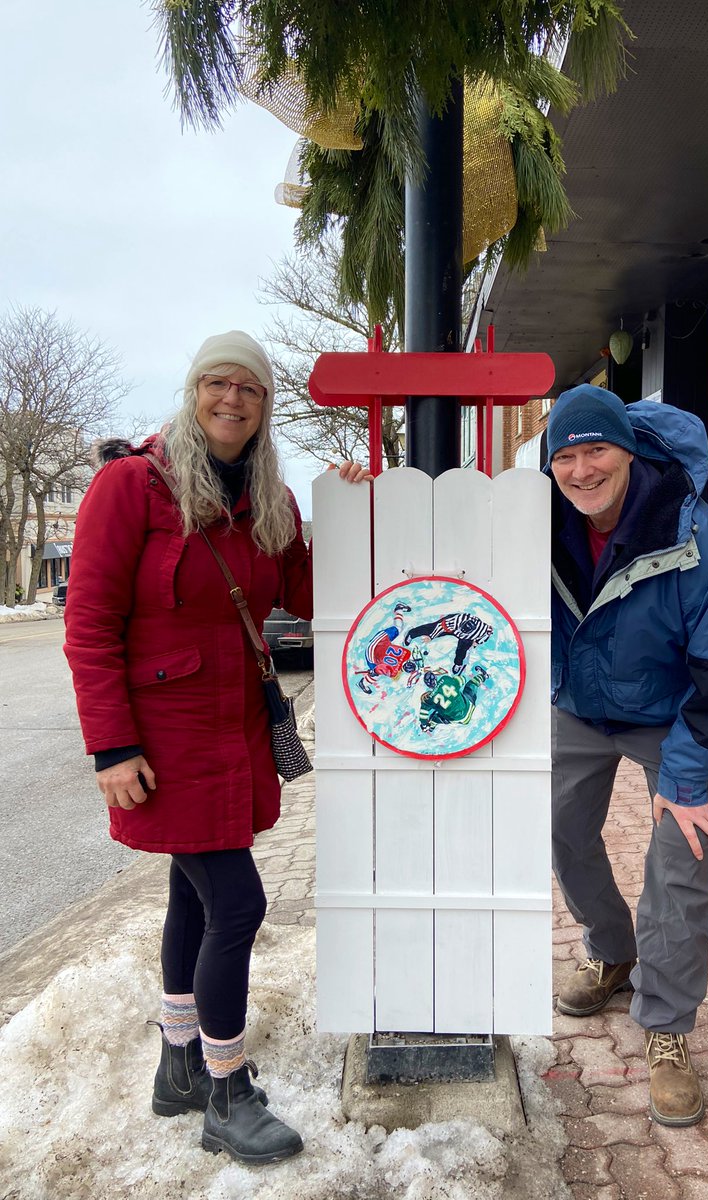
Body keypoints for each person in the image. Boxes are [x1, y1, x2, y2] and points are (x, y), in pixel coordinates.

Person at [64, 330, 371, 1165]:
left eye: (252, 389)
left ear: (267, 407)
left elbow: (310, 594)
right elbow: (89, 626)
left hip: (233, 730)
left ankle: (179, 1066)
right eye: (218, 384)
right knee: (237, 904)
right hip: (162, 741)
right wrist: (110, 748)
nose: (233, 399)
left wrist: (349, 507)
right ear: (194, 390)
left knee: (194, 899)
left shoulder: (269, 499)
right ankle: (226, 1092)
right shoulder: (132, 486)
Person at [546, 384, 708, 1128]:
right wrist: (367, 487)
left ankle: (667, 1027)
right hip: (577, 703)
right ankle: (612, 951)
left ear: (628, 450)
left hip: (673, 718)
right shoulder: (536, 520)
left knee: (680, 860)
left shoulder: (707, 547)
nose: (581, 470)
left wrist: (689, 774)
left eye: (595, 450)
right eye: (565, 456)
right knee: (561, 829)